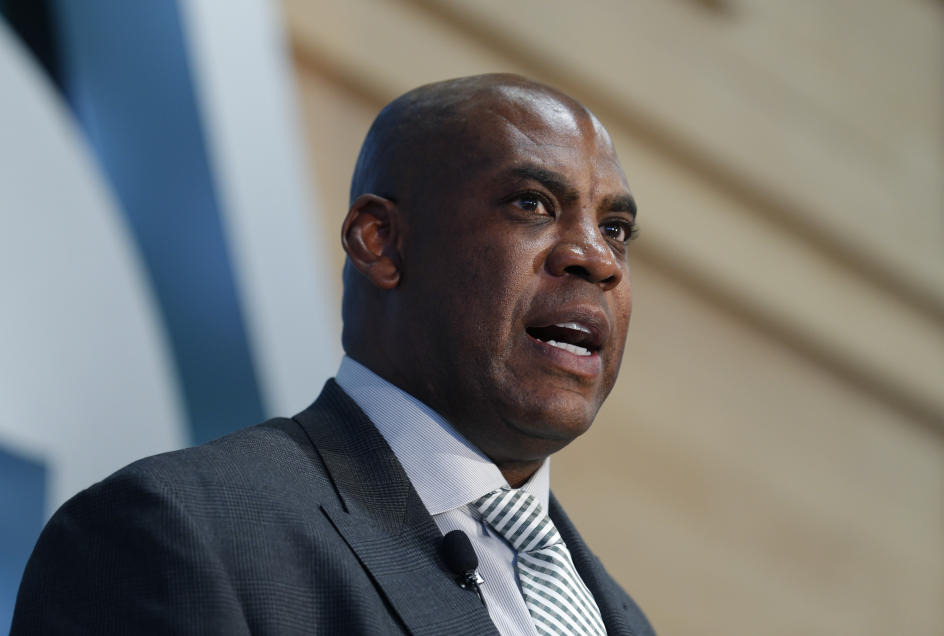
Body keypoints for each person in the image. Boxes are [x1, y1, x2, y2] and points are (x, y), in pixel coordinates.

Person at [12, 74, 655, 635]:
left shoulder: (619, 618)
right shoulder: (179, 536)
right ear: (381, 242)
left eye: (616, 231)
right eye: (531, 204)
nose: (596, 258)